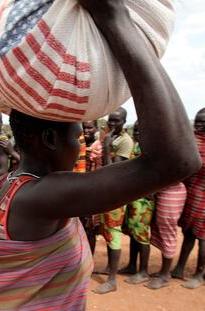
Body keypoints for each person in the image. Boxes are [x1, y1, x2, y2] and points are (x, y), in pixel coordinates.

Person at [0, 1, 200, 309]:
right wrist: (115, 18)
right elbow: (177, 161)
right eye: (77, 135)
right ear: (51, 138)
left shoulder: (11, 184)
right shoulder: (41, 196)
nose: (79, 144)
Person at [172, 107, 205, 289]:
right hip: (191, 191)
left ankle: (198, 274)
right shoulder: (192, 138)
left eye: (203, 121)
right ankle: (179, 268)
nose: (198, 125)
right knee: (188, 233)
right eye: (196, 121)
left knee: (203, 236)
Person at [93, 107, 134, 294]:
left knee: (114, 233)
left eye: (116, 121)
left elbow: (114, 173)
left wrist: (107, 146)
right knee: (107, 232)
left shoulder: (125, 142)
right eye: (110, 120)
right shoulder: (109, 136)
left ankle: (112, 280)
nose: (112, 123)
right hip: (105, 194)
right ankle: (110, 268)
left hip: (116, 195)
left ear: (124, 122)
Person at [120, 120, 154, 286]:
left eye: (141, 131)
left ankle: (144, 271)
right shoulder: (136, 146)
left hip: (143, 200)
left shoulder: (153, 150)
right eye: (136, 130)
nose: (137, 134)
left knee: (141, 234)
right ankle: (132, 265)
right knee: (133, 232)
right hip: (133, 197)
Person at [147, 182, 187, 289]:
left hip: (171, 192)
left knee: (168, 233)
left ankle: (164, 276)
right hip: (166, 191)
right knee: (164, 232)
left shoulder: (177, 166)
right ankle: (164, 272)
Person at [81, 120, 103, 254]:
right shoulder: (79, 145)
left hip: (93, 191)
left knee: (91, 229)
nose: (87, 130)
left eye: (90, 127)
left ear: (96, 128)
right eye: (84, 128)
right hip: (79, 191)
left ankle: (90, 259)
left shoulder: (98, 147)